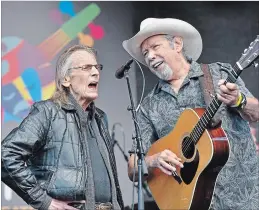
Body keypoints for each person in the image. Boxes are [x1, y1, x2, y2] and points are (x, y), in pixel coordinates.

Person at [122, 18, 259, 209]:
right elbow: (133, 167)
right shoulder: (148, 106)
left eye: (155, 47)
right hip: (189, 204)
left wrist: (239, 100)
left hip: (240, 198)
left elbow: (256, 114)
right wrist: (153, 160)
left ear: (177, 44)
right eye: (145, 53)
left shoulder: (218, 74)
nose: (150, 56)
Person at [1, 45, 124, 210]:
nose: (95, 72)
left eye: (97, 67)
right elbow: (6, 155)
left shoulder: (100, 118)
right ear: (66, 79)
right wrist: (44, 201)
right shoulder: (48, 112)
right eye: (86, 67)